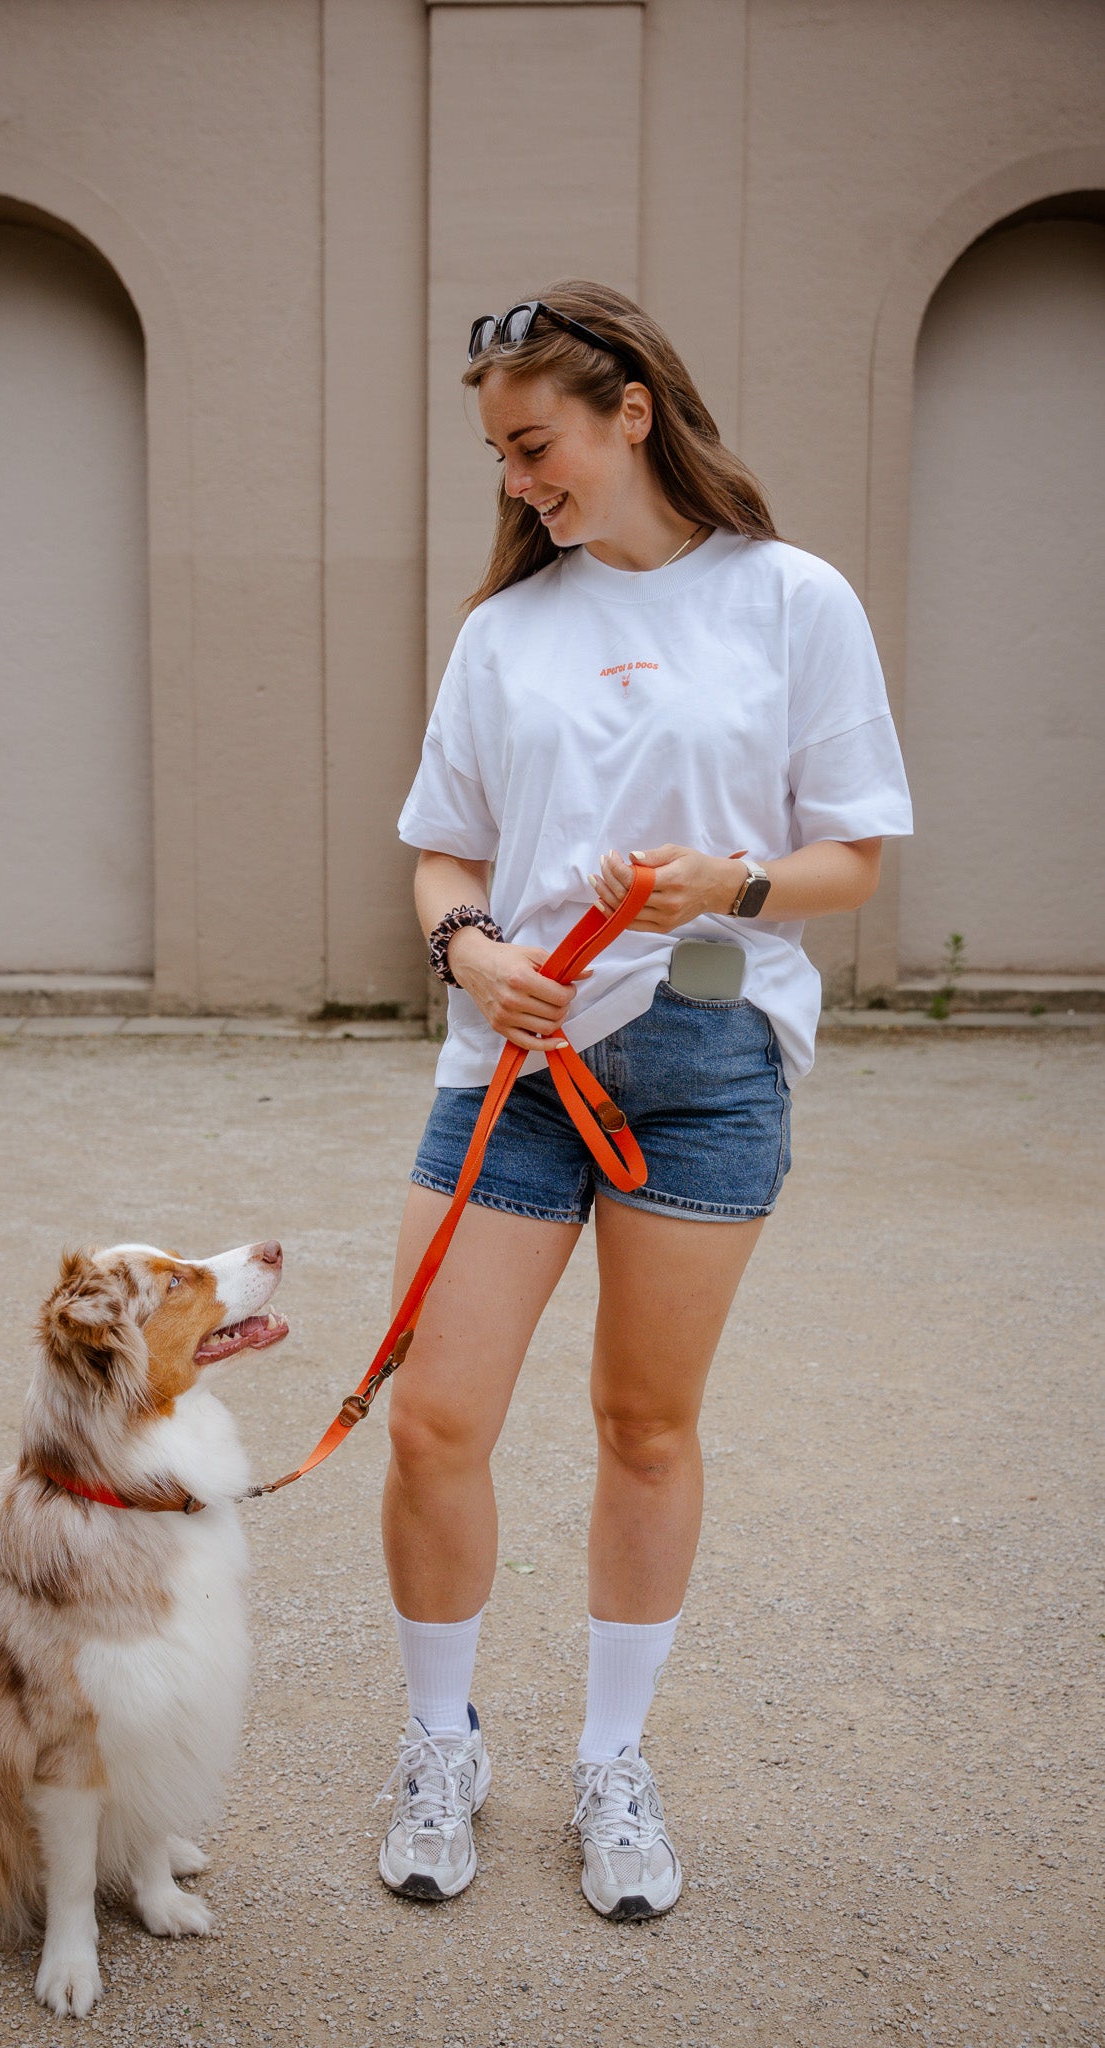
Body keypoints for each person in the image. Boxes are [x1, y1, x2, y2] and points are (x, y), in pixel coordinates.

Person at [374, 280, 912, 1920]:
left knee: (644, 1426)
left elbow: (851, 859)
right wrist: (470, 950)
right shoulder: (503, 630)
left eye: (534, 443)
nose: (517, 479)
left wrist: (724, 884)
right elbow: (440, 852)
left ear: (630, 413)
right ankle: (440, 1741)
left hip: (704, 1065)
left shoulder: (791, 598)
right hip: (513, 1067)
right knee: (432, 1418)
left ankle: (612, 1760)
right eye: (498, 455)